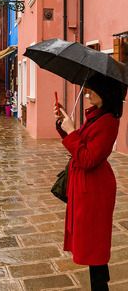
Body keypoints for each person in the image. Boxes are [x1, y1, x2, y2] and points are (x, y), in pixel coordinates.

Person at [55, 73, 127, 291]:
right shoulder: (96, 116)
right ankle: (99, 281)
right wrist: (62, 125)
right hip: (86, 186)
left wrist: (71, 131)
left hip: (95, 189)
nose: (88, 93)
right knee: (91, 241)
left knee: (94, 242)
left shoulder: (108, 122)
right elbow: (80, 143)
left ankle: (100, 286)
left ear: (105, 93)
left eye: (92, 89)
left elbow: (87, 159)